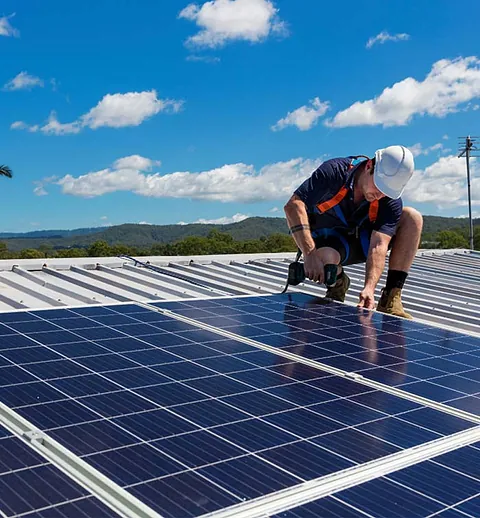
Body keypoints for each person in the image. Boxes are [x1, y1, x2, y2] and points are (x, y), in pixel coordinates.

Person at [284, 145, 422, 319]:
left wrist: (369, 288)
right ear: (369, 166)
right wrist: (309, 254)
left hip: (362, 242)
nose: (379, 195)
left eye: (385, 192)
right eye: (378, 187)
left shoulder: (389, 201)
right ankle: (338, 282)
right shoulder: (334, 172)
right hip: (329, 239)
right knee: (326, 259)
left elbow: (379, 244)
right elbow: (293, 205)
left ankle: (391, 297)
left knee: (412, 217)